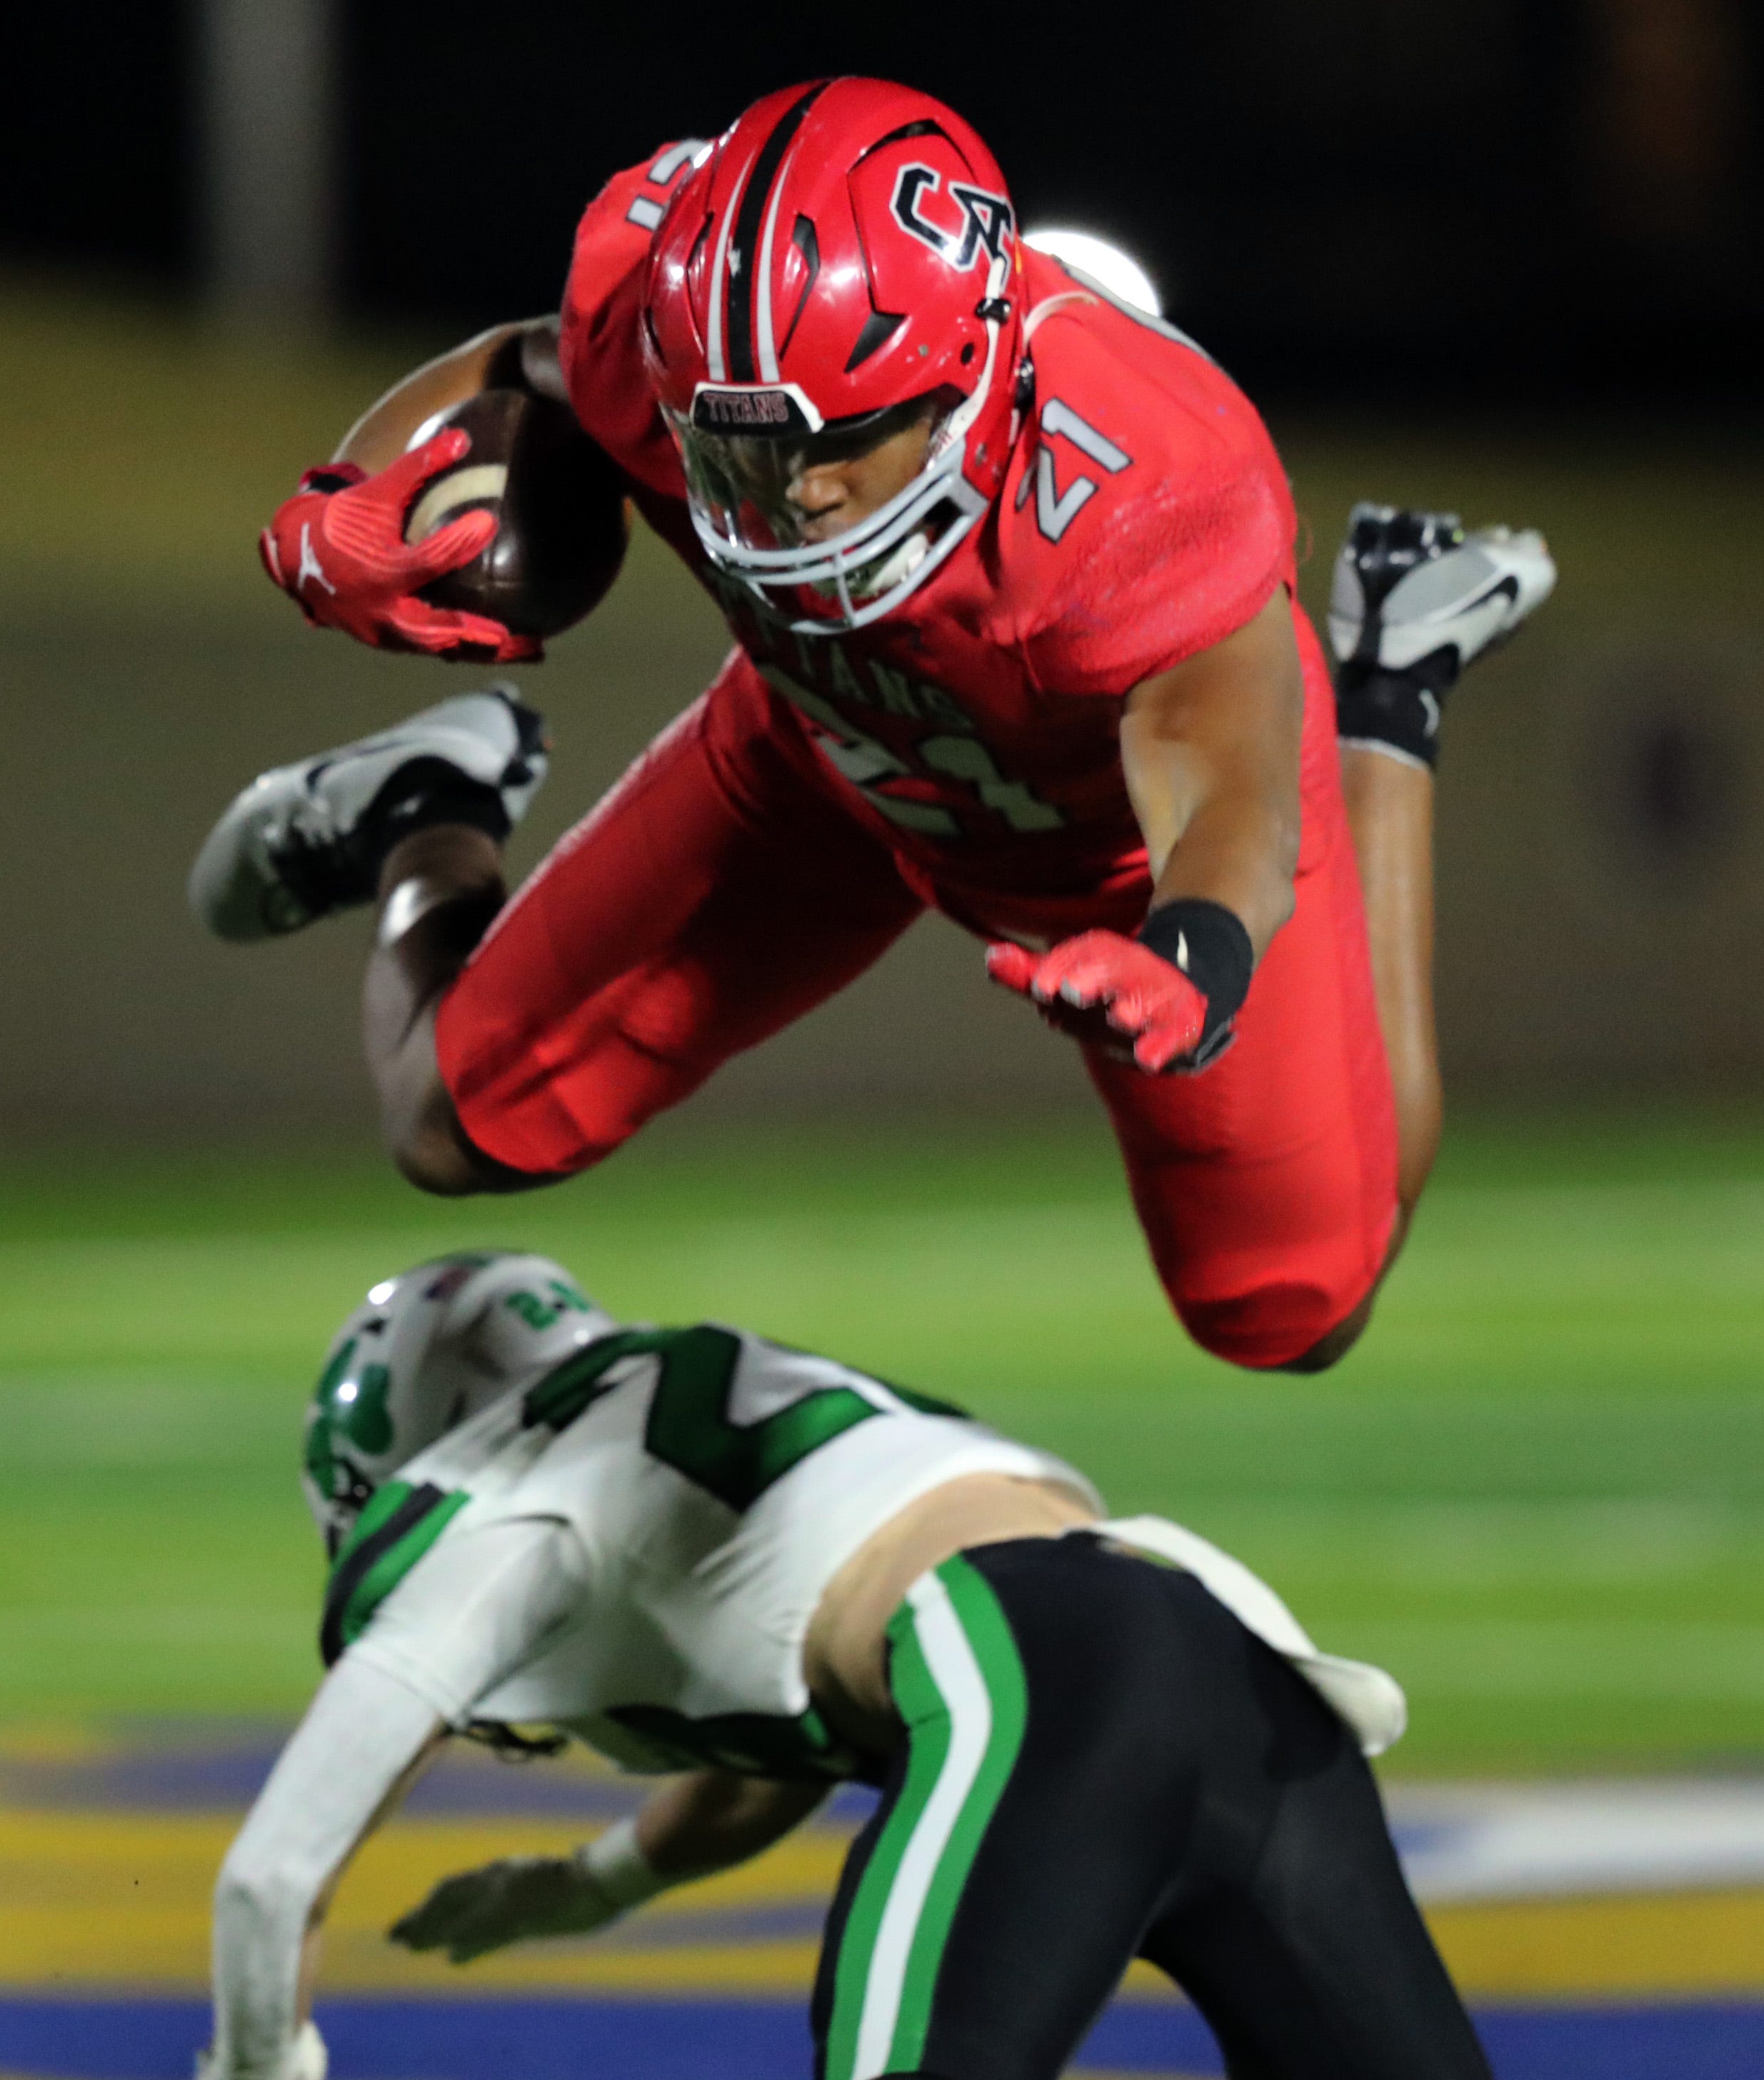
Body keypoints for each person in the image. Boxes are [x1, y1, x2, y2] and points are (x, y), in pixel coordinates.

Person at [191, 77, 1555, 1372]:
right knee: (451, 1121)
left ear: (971, 375)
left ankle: (1391, 684)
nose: (795, 500)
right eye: (745, 450)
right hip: (816, 759)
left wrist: (1190, 950)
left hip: (1117, 861)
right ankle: (428, 805)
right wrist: (347, 504)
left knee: (1295, 1309)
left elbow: (1227, 799)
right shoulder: (659, 326)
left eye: (833, 445)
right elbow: (519, 367)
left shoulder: (1142, 486)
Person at [201, 1248, 1490, 2080]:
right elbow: (791, 1728)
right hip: (1238, 1671)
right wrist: (588, 1886)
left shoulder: (508, 1502)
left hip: (1036, 1680)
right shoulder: (718, 1417)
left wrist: (257, 2066)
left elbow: (272, 1876)